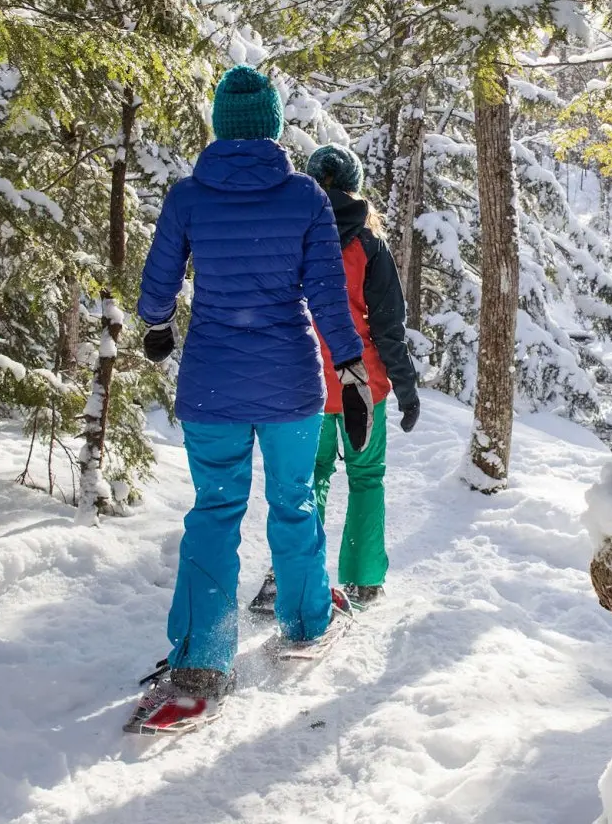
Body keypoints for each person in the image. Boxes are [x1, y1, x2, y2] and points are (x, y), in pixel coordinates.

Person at [124, 65, 375, 736]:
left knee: (214, 512)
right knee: (293, 503)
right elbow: (325, 293)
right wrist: (349, 367)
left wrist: (155, 325)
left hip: (211, 383)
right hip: (292, 382)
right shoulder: (304, 199)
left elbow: (158, 283)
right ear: (269, 125)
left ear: (219, 125)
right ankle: (304, 623)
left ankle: (201, 663)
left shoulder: (187, 197)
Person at [250, 145, 418, 614]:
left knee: (308, 479)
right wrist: (405, 388)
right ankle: (363, 580)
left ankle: (291, 576)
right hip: (362, 382)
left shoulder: (290, 238)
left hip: (304, 381)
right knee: (366, 477)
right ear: (353, 187)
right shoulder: (369, 246)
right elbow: (388, 327)